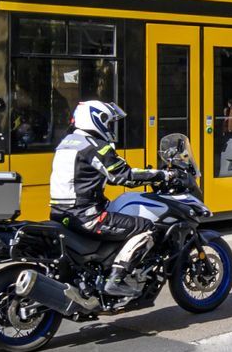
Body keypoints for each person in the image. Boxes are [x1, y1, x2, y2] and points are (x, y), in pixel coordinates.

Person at [49, 100, 166, 298]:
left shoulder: (67, 142)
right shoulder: (95, 146)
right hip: (87, 216)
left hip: (61, 214)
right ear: (96, 119)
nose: (110, 127)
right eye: (108, 122)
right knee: (147, 227)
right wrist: (161, 175)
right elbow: (124, 176)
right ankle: (117, 279)